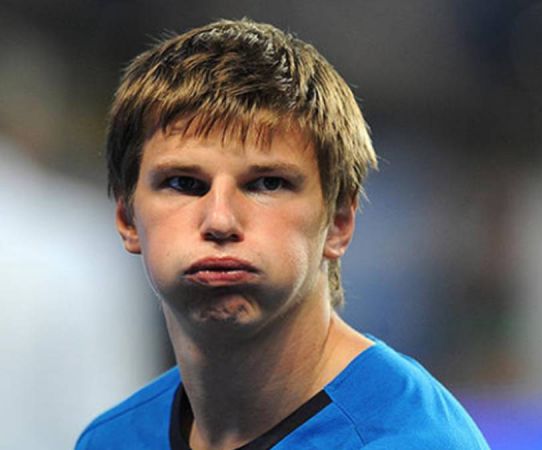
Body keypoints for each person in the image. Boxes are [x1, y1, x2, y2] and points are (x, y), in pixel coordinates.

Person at [75, 19, 488, 449]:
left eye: (267, 183)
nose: (220, 221)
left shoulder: (416, 441)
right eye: (183, 183)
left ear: (339, 221)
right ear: (126, 218)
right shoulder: (110, 440)